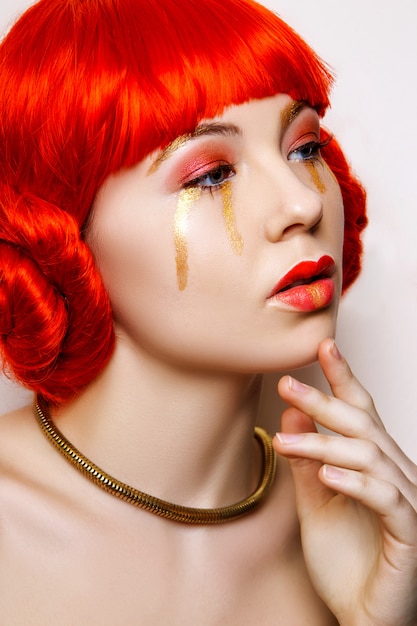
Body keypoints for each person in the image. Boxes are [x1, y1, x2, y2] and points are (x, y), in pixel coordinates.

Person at [0, 0, 416, 623]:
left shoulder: (364, 538)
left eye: (304, 147)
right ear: (58, 233)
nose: (303, 202)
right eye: (211, 174)